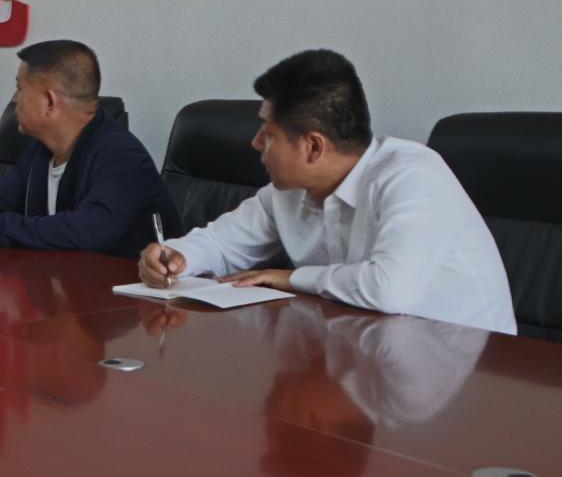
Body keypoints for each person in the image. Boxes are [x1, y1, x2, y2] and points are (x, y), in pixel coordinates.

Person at [138, 49, 515, 333]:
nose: (255, 143)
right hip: (363, 348)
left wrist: (291, 278)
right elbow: (221, 244)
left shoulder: (412, 177)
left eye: (268, 133)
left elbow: (390, 290)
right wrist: (176, 258)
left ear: (313, 147)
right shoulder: (288, 192)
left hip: (474, 372)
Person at [0, 40, 177, 258]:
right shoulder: (40, 150)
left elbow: (90, 231)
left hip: (130, 292)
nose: (14, 99)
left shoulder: (121, 154)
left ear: (50, 102)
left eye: (20, 88)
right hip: (61, 286)